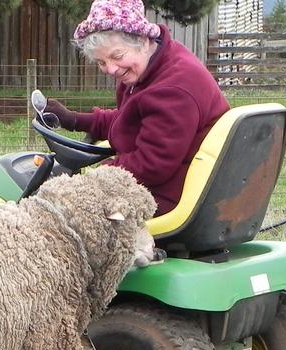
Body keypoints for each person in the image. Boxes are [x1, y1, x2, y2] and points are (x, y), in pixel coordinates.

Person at [45, 0, 230, 216]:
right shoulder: (154, 65)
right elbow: (131, 121)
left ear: (141, 40)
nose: (110, 69)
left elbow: (151, 164)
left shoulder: (172, 88)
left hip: (172, 198)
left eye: (117, 56)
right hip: (166, 185)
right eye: (101, 62)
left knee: (67, 214)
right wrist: (73, 119)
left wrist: (97, 176)